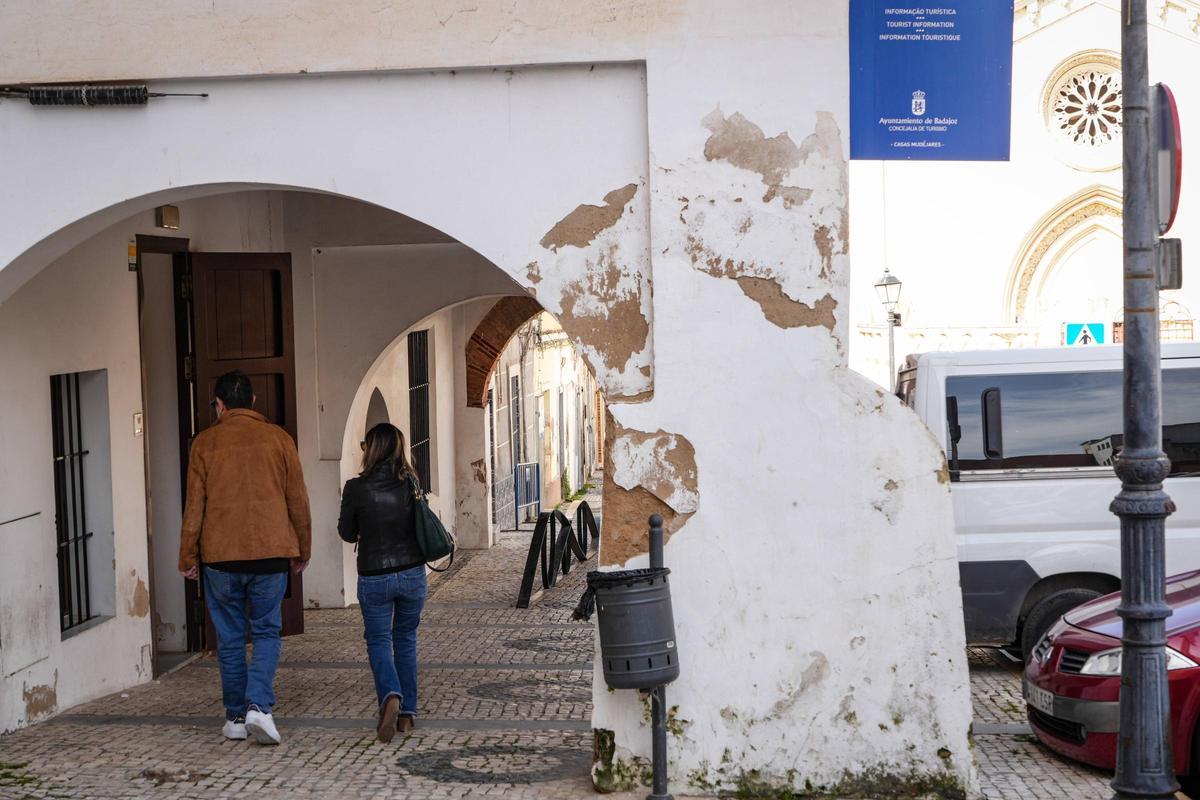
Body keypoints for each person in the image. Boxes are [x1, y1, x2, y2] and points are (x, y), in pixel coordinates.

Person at [178, 370, 311, 745]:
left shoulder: (204, 444)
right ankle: (259, 707)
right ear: (253, 402)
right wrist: (303, 547)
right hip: (271, 553)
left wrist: (188, 555)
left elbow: (194, 507)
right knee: (267, 631)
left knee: (231, 637)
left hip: (220, 557)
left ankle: (236, 716)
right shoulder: (280, 439)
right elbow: (297, 500)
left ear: (219, 405)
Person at [338, 422, 428, 742]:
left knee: (378, 641)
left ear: (371, 450)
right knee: (405, 639)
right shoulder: (411, 483)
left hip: (374, 576)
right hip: (412, 574)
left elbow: (347, 533)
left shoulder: (355, 487)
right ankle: (406, 714)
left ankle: (390, 694)